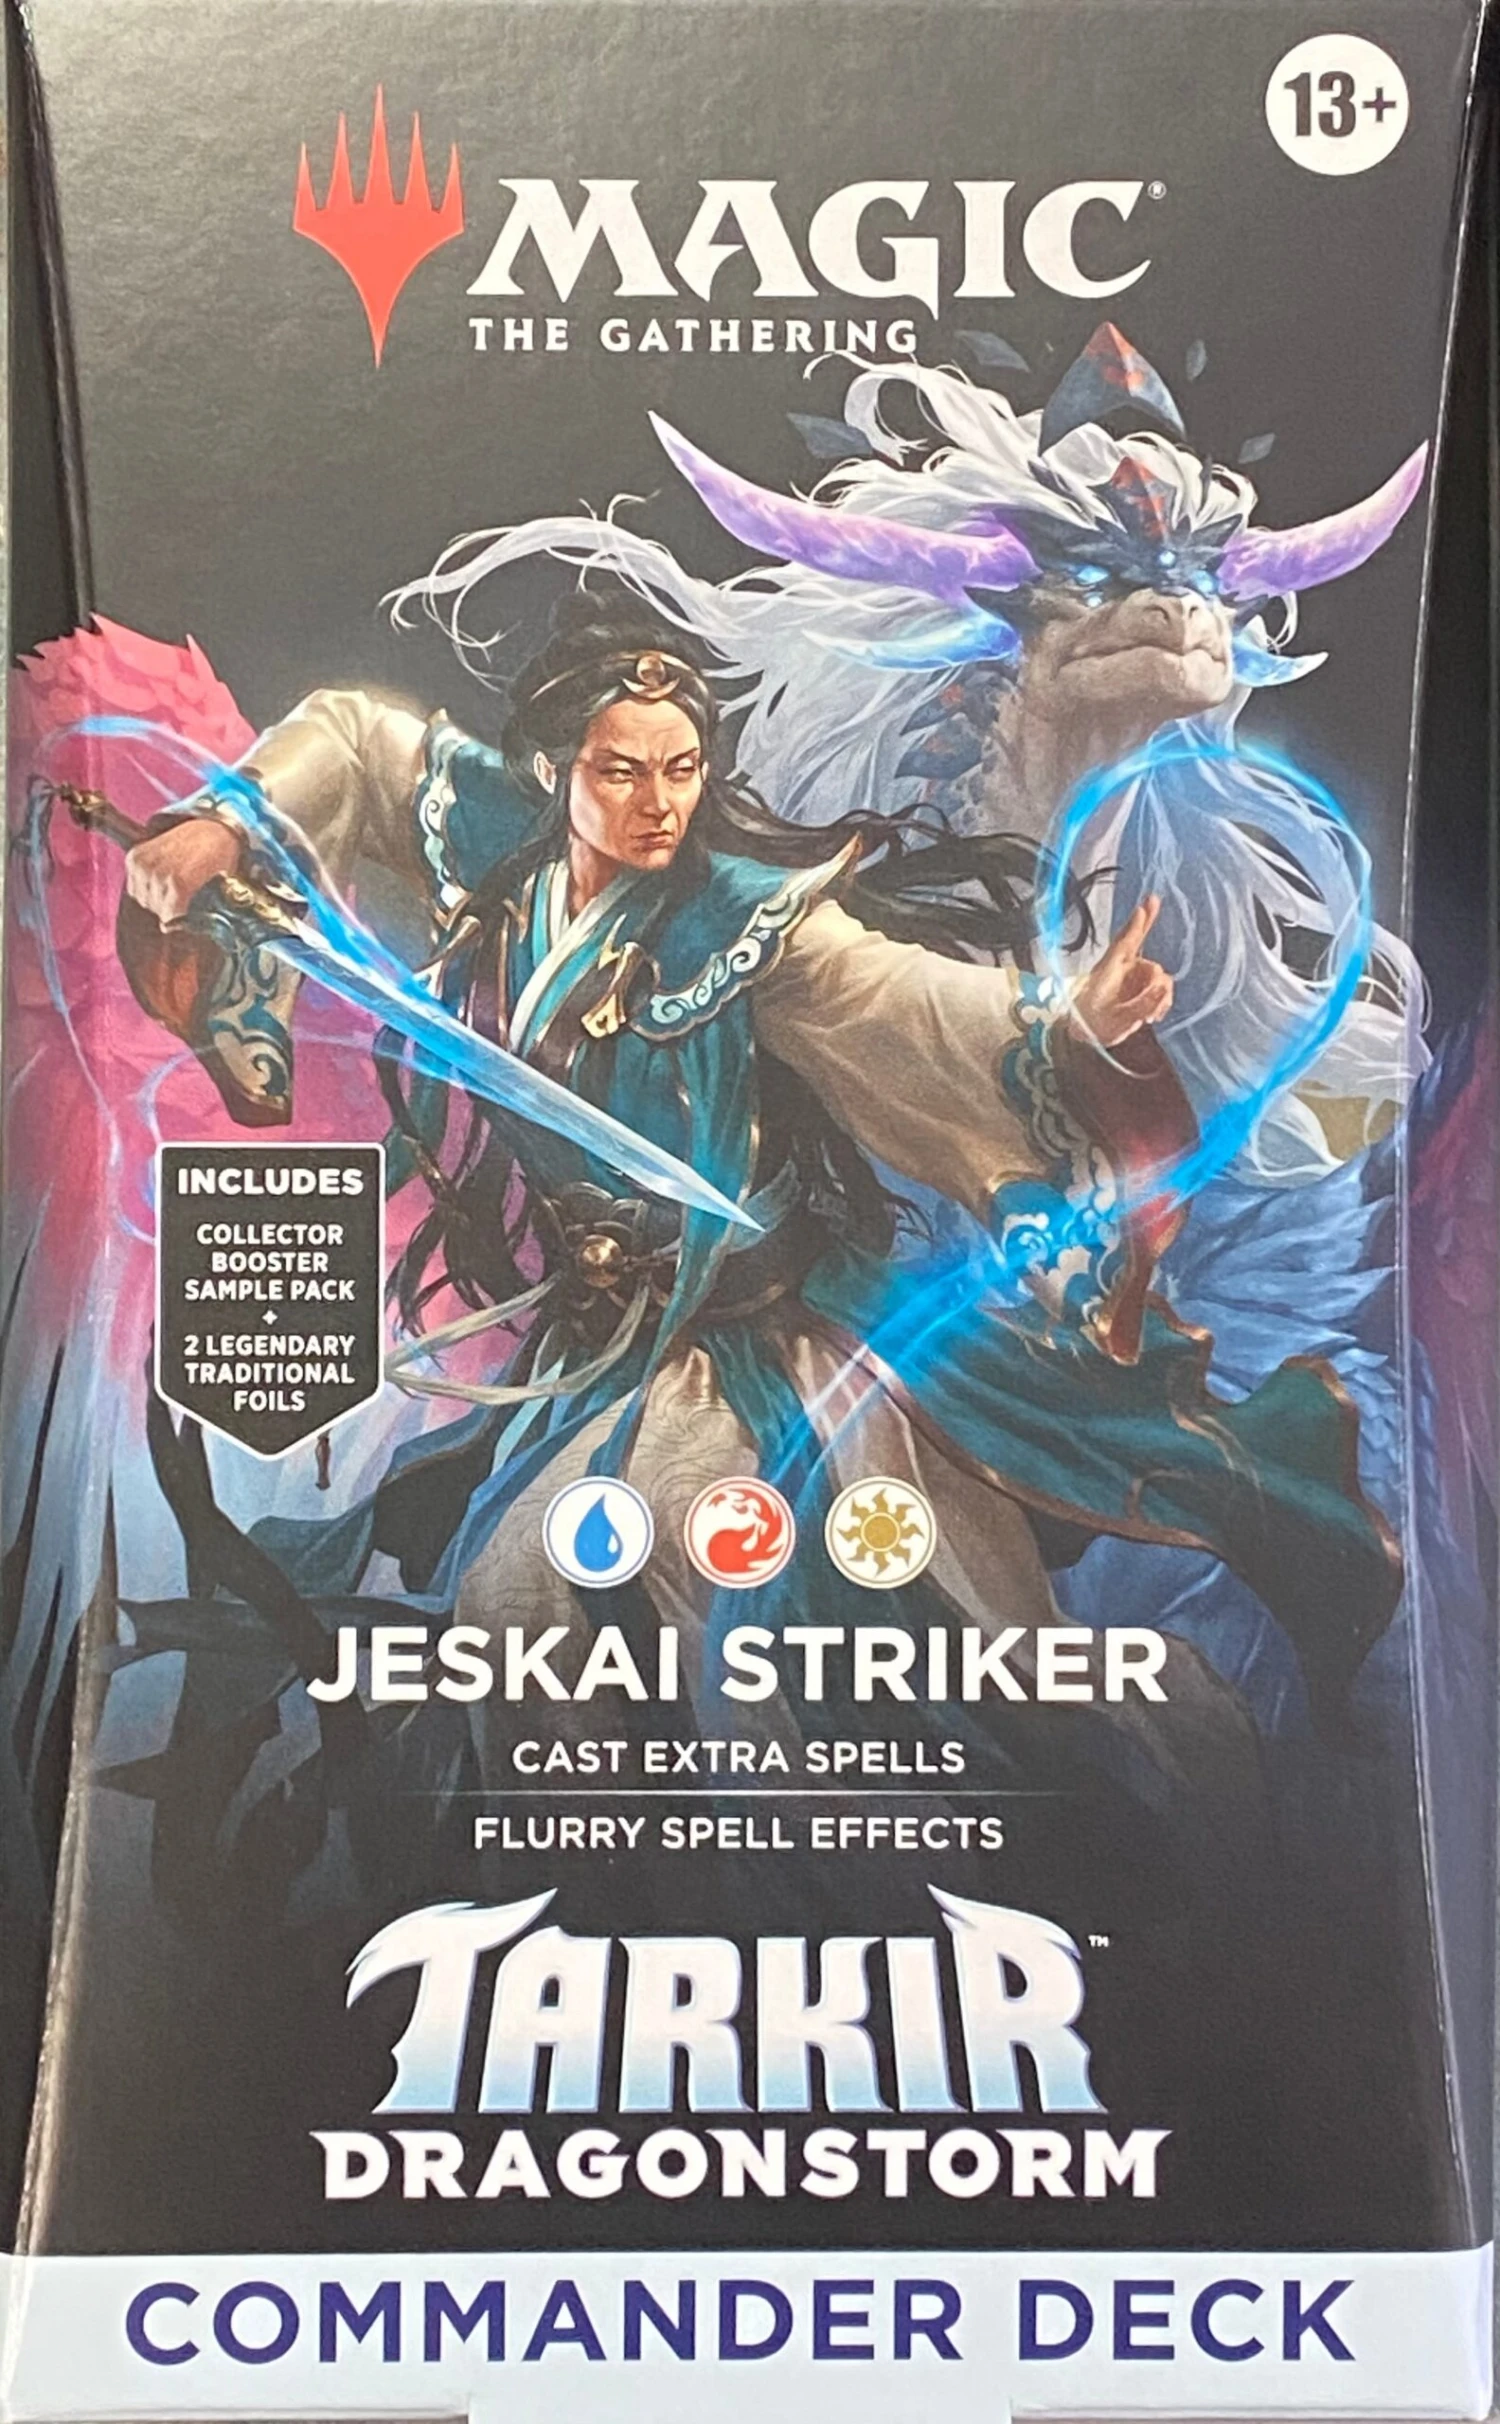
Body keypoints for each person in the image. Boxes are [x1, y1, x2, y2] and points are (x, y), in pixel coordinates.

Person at [118, 611, 1398, 1780]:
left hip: (755, 1344)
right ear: (556, 770)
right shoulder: (495, 835)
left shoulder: (741, 921)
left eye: (682, 771)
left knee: (821, 1632)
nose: (658, 804)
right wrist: (223, 825)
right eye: (622, 772)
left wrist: (1065, 1025)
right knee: (512, 1616)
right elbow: (355, 738)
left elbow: (901, 1003)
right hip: (602, 1351)